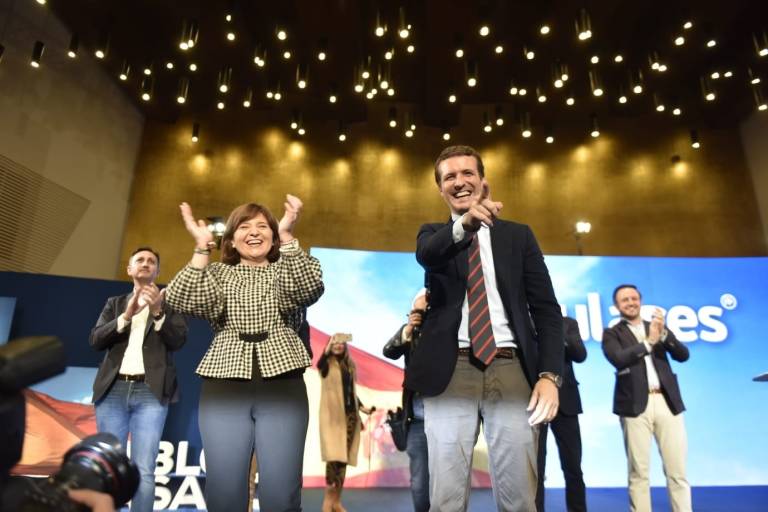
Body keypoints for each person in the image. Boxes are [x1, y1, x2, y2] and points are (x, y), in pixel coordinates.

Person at [405, 145, 564, 511]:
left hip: (511, 368)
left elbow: (546, 311)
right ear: (440, 189)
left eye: (467, 174)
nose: (459, 182)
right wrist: (466, 225)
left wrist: (550, 376)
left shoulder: (518, 236)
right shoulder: (433, 236)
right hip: (450, 371)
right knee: (445, 498)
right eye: (449, 177)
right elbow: (428, 255)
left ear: (482, 181)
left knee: (520, 498)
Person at [165, 196, 324, 512]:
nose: (254, 232)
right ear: (232, 239)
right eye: (244, 226)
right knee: (225, 489)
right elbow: (180, 298)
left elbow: (308, 289)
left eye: (263, 226)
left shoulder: (286, 267)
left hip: (284, 382)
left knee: (282, 491)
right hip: (225, 382)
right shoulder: (218, 273)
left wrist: (289, 234)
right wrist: (200, 248)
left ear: (274, 235)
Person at [89, 247, 188, 512]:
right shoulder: (115, 303)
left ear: (157, 271)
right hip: (113, 391)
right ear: (130, 269)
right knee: (109, 466)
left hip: (150, 392)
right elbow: (96, 339)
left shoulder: (169, 303)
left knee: (144, 467)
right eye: (140, 260)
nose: (145, 264)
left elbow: (178, 340)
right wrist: (125, 317)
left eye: (151, 261)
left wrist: (157, 313)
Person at [602, 284, 691, 512]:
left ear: (640, 300)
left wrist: (662, 335)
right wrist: (648, 343)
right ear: (617, 306)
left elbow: (683, 355)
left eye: (634, 298)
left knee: (677, 472)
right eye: (625, 300)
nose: (631, 302)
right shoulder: (612, 333)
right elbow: (619, 358)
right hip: (634, 406)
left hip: (667, 403)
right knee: (638, 472)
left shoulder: (657, 327)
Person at [382, 289, 430, 512]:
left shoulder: (446, 334)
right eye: (416, 311)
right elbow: (389, 351)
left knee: (449, 479)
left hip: (446, 418)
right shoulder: (410, 335)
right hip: (417, 421)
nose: (422, 314)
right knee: (419, 482)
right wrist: (409, 328)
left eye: (426, 310)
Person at [317, 333, 375, 512]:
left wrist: (363, 408)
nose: (339, 345)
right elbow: (320, 364)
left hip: (349, 418)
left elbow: (350, 392)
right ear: (330, 345)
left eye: (342, 343)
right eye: (336, 342)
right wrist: (327, 349)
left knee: (343, 461)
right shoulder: (327, 365)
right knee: (333, 461)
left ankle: (336, 502)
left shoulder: (349, 366)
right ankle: (327, 503)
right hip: (333, 420)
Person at [536, 316, 587, 512]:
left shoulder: (568, 323)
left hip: (567, 402)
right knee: (536, 469)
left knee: (573, 467)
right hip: (535, 400)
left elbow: (580, 354)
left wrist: (557, 333)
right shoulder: (524, 320)